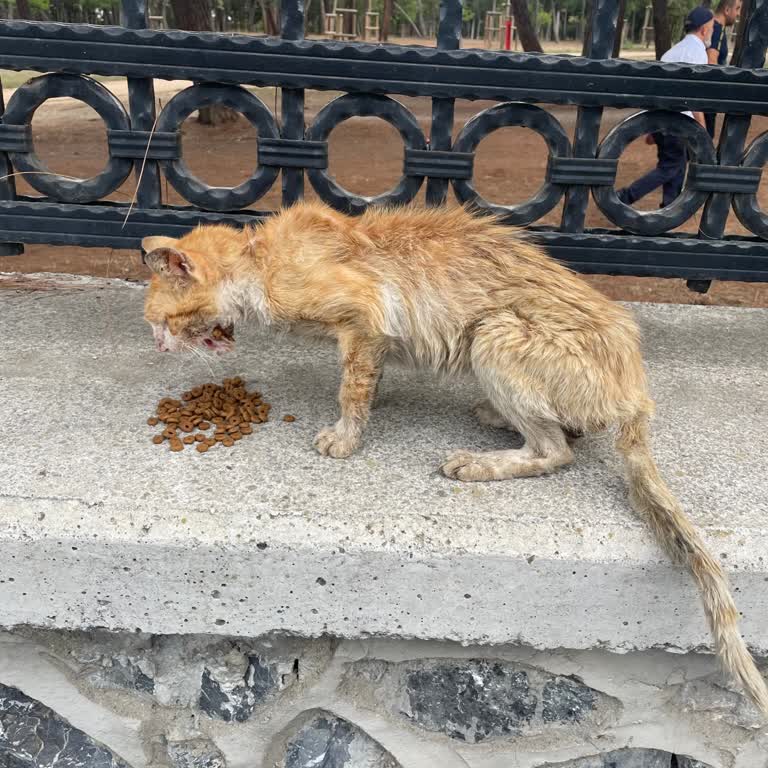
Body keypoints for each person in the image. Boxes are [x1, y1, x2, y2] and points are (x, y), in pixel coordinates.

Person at [617, 7, 714, 208]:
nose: (712, 32)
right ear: (704, 29)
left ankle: (669, 207)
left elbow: (656, 91)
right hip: (679, 123)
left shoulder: (670, 53)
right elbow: (693, 95)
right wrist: (702, 127)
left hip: (661, 119)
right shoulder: (698, 53)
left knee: (676, 167)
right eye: (712, 28)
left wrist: (653, 126)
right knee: (670, 167)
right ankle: (626, 196)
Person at [704, 0, 742, 137]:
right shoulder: (717, 29)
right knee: (705, 138)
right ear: (727, 10)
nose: (738, 14)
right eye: (737, 9)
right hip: (708, 96)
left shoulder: (711, 27)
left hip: (704, 95)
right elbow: (711, 61)